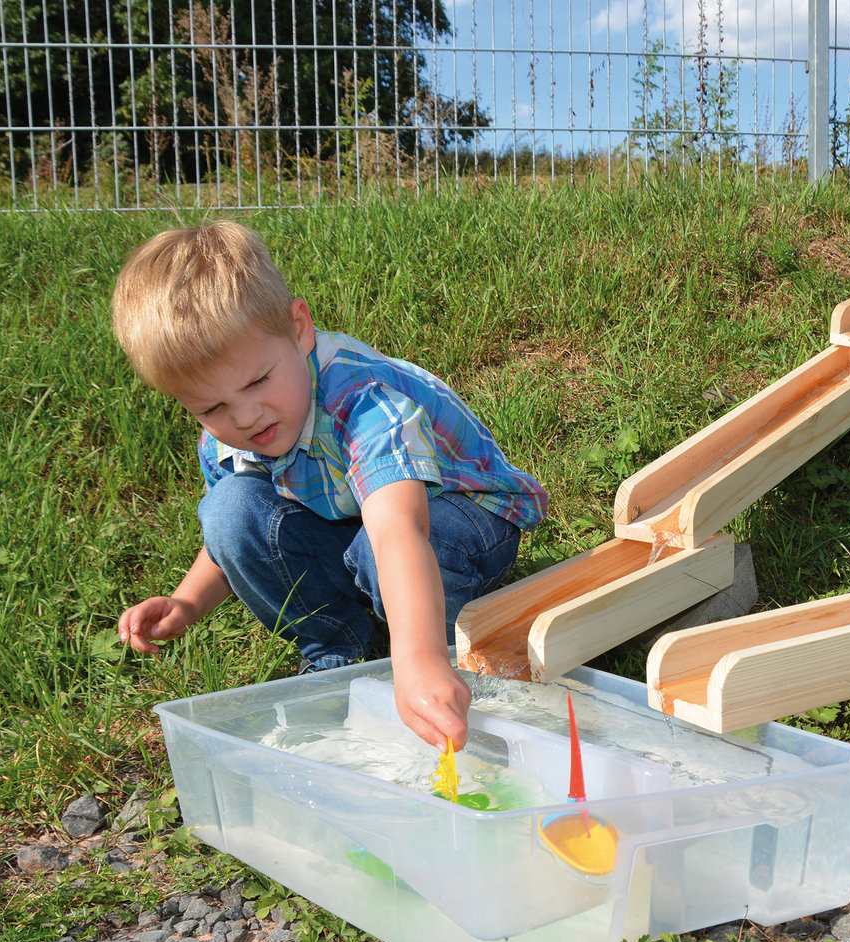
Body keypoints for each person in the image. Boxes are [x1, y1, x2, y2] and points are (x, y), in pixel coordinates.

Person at [111, 221, 546, 752]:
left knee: (379, 550)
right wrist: (187, 601)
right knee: (230, 507)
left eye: (256, 382)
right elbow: (233, 536)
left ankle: (454, 665)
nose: (245, 416)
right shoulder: (226, 438)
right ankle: (336, 648)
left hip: (464, 516)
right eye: (211, 407)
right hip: (353, 519)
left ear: (299, 329)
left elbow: (399, 532)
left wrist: (420, 660)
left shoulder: (360, 401)